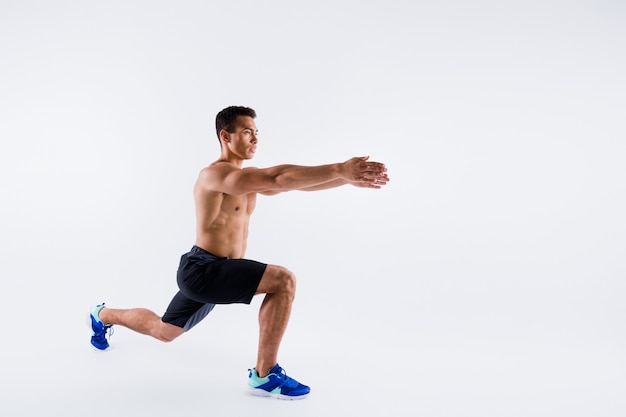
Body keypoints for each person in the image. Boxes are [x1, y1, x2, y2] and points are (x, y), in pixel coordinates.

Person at [89, 105, 389, 400]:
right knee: (283, 280)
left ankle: (102, 315)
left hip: (218, 271)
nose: (256, 139)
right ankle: (265, 374)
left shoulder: (247, 181)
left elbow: (289, 185)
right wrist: (339, 168)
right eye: (248, 132)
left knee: (165, 331)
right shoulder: (214, 175)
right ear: (226, 136)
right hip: (204, 270)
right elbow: (277, 177)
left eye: (257, 133)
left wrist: (345, 179)